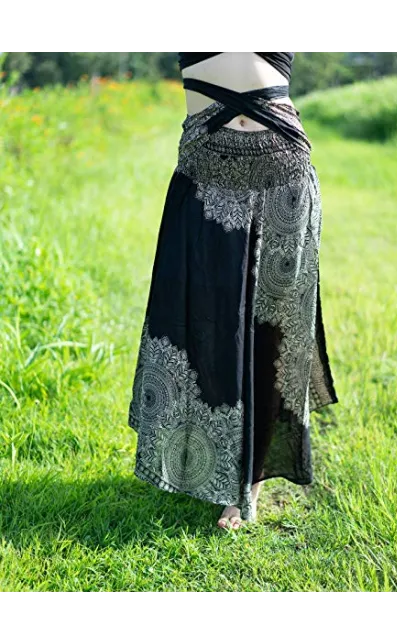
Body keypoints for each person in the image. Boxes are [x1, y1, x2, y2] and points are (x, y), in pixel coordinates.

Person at [128, 49, 339, 530]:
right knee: (202, 321)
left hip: (284, 170)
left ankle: (248, 486)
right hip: (205, 172)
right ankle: (198, 461)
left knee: (272, 333)